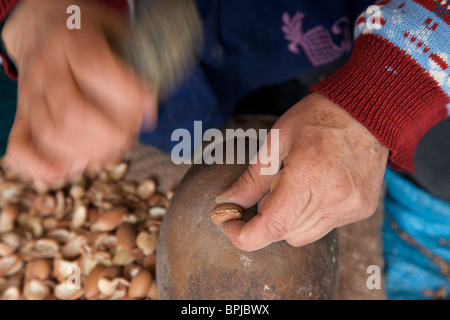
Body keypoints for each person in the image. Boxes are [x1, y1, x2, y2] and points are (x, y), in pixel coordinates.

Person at [0, 0, 448, 299]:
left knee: (438, 157)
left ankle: (413, 200)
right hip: (149, 34)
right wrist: (32, 15)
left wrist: (382, 97)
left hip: (372, 23)